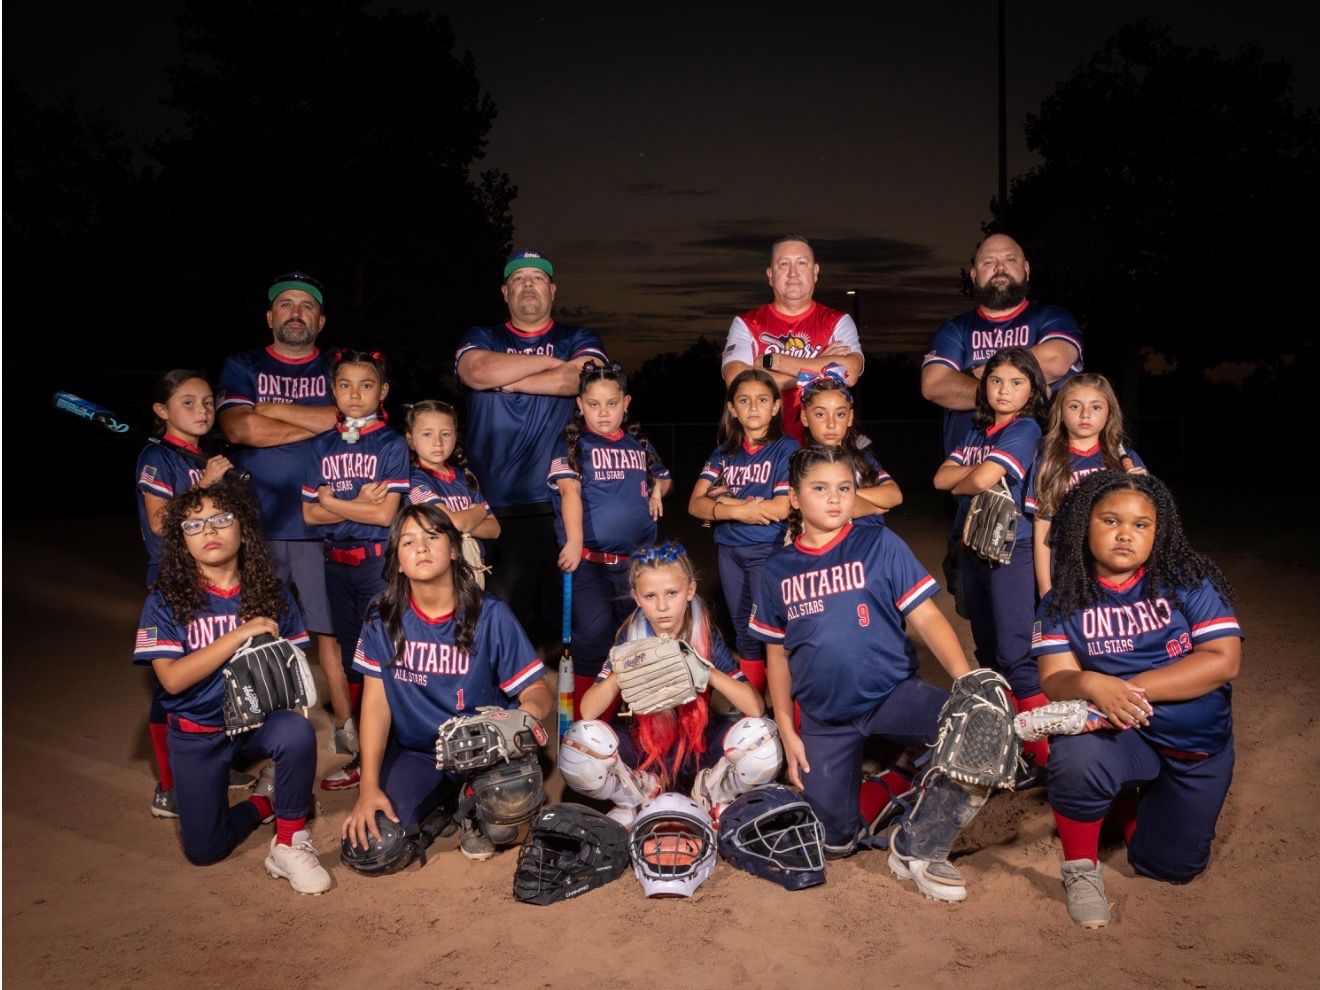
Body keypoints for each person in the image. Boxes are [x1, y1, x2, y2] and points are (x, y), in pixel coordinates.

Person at [749, 447, 989, 901]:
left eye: (844, 489)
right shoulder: (778, 569)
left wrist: (966, 682)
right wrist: (786, 726)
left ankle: (917, 842)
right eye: (820, 489)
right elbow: (776, 656)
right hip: (824, 719)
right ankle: (894, 781)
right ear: (795, 498)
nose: (835, 500)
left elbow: (927, 618)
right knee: (834, 842)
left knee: (977, 729)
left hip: (889, 695)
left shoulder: (878, 543)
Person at [1031, 471, 1241, 929]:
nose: (1126, 533)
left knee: (1169, 867)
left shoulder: (1187, 580)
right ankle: (1082, 868)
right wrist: (1089, 684)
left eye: (1141, 524)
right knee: (1076, 752)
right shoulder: (1062, 601)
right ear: (1084, 525)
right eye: (1110, 520)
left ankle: (1129, 808)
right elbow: (1055, 677)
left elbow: (1224, 660)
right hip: (1125, 735)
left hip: (1195, 743)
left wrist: (1127, 688)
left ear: (1158, 531)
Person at [132, 482, 331, 894]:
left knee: (296, 732)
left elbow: (294, 676)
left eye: (221, 519)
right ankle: (264, 801)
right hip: (199, 731)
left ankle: (290, 840)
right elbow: (171, 679)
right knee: (205, 851)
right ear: (182, 539)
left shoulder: (271, 592)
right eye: (195, 524)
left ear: (243, 528)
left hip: (255, 724)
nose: (209, 531)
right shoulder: (166, 599)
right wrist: (241, 634)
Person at [341, 504, 553, 862]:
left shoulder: (491, 614)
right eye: (408, 542)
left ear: (454, 549)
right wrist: (368, 787)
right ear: (397, 561)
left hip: (486, 752)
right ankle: (447, 806)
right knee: (376, 847)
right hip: (420, 751)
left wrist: (513, 721)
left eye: (432, 537)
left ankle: (473, 804)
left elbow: (538, 692)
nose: (421, 547)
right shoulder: (383, 616)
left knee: (502, 827)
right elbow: (375, 706)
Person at [218, 273, 349, 757]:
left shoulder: (338, 364)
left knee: (330, 635)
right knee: (255, 632)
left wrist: (274, 408)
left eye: (306, 306)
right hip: (260, 523)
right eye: (286, 305)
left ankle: (348, 729)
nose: (296, 312)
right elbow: (239, 427)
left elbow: (355, 421)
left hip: (326, 522)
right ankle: (256, 737)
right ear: (271, 316)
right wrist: (321, 420)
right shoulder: (243, 363)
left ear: (320, 319)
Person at [560, 542, 777, 827]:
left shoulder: (704, 633)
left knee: (764, 739)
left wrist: (705, 670)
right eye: (650, 596)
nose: (662, 606)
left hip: (698, 747)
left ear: (690, 590)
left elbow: (755, 706)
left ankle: (712, 793)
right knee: (578, 742)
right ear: (636, 597)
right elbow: (587, 711)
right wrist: (623, 672)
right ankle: (636, 794)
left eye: (671, 593)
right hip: (646, 750)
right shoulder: (631, 636)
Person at [454, 251, 608, 651]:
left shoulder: (577, 337)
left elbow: (586, 377)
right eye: (518, 278)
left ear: (552, 290)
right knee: (501, 625)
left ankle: (569, 710)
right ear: (505, 292)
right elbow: (477, 371)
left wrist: (513, 380)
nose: (527, 285)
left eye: (537, 278)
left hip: (562, 504)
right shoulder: (483, 336)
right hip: (495, 506)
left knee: (567, 627)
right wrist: (546, 363)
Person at [934, 348, 1050, 778]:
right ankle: (1009, 748)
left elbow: (976, 479)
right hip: (973, 549)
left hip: (1011, 549)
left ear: (1033, 389)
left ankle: (1044, 759)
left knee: (1015, 653)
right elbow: (939, 478)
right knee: (986, 652)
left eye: (1017, 382)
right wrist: (969, 478)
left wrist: (968, 479)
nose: (1004, 390)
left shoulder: (1025, 428)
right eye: (997, 380)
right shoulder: (978, 431)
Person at [301, 351, 409, 790]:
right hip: (335, 567)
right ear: (334, 390)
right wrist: (356, 505)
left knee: (386, 660)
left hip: (375, 567)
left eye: (366, 385)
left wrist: (332, 503)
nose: (355, 394)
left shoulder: (390, 443)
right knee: (353, 664)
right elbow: (309, 517)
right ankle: (367, 759)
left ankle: (397, 758)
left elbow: (385, 516)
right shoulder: (321, 445)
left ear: (382, 392)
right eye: (345, 385)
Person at [135, 370, 239, 818]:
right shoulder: (155, 457)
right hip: (174, 579)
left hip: (213, 577)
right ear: (162, 412)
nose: (202, 411)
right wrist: (205, 485)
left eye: (207, 402)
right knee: (172, 684)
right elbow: (161, 523)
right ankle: (169, 786)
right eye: (188, 403)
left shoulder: (202, 456)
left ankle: (209, 760)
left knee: (217, 667)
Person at [549, 362, 672, 715]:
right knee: (593, 638)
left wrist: (657, 490)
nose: (603, 413)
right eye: (594, 404)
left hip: (636, 564)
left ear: (626, 402)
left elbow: (664, 478)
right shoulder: (573, 443)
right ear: (580, 404)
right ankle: (591, 722)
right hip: (590, 562)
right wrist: (573, 541)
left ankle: (638, 716)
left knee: (637, 638)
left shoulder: (639, 444)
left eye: (612, 403)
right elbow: (570, 492)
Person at [921, 233, 1083, 457]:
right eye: (989, 262)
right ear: (974, 275)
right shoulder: (955, 329)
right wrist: (1023, 385)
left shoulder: (1052, 317)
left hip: (1047, 465)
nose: (1000, 268)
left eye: (1010, 260)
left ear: (1026, 269)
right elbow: (935, 385)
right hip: (971, 468)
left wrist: (985, 375)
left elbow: (1055, 361)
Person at [687, 369, 798, 692]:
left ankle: (786, 711)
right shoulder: (723, 453)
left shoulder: (784, 448)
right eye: (744, 401)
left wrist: (721, 507)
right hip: (729, 552)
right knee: (743, 632)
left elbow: (780, 508)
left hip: (767, 551)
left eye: (762, 400)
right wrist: (741, 509)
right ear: (732, 409)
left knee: (774, 632)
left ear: (776, 407)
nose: (753, 407)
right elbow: (695, 504)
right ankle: (753, 712)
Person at [720, 235, 864, 442]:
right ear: (770, 274)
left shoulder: (838, 321)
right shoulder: (746, 323)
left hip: (822, 449)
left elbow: (849, 373)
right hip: (762, 449)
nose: (793, 273)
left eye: (802, 263)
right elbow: (737, 383)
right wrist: (817, 371)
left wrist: (772, 364)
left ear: (815, 272)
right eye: (783, 264)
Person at [1028, 373, 1147, 597]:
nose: (1085, 414)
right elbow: (1042, 527)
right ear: (1060, 412)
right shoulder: (1048, 462)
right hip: (1066, 573)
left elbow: (1145, 525)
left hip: (1117, 574)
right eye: (1074, 406)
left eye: (1096, 407)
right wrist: (1045, 589)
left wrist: (1144, 492)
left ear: (1109, 413)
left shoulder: (1124, 461)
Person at [798, 364, 902, 527]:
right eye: (820, 414)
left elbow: (895, 495)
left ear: (850, 417)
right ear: (805, 417)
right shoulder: (800, 462)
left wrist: (850, 498)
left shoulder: (861, 457)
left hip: (872, 541)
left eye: (840, 414)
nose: (831, 424)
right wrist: (874, 507)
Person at [403, 400, 500, 547]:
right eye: (427, 434)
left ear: (455, 437)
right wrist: (479, 511)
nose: (438, 442)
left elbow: (494, 529)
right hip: (439, 565)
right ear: (411, 440)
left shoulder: (464, 476)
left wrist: (460, 524)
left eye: (446, 434)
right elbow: (453, 524)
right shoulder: (414, 480)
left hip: (474, 564)